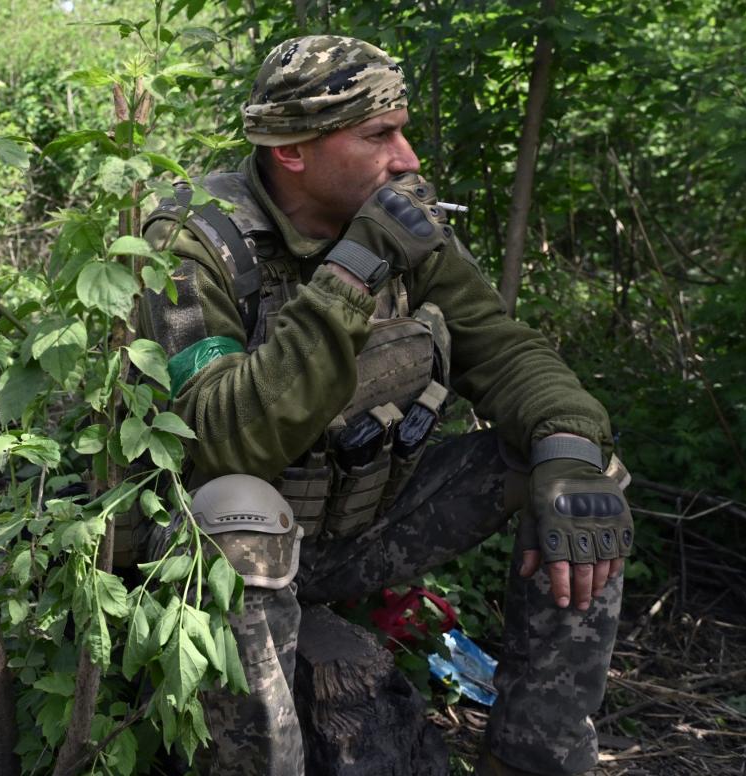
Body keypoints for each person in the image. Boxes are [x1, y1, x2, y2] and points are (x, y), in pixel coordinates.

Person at [139, 36, 634, 776]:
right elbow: (220, 441)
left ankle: (533, 757)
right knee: (236, 506)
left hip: (356, 532)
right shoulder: (192, 240)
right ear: (293, 151)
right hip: (214, 554)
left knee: (580, 474)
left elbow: (500, 350)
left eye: (402, 130)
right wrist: (354, 267)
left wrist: (568, 445)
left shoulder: (399, 224)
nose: (405, 158)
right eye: (378, 135)